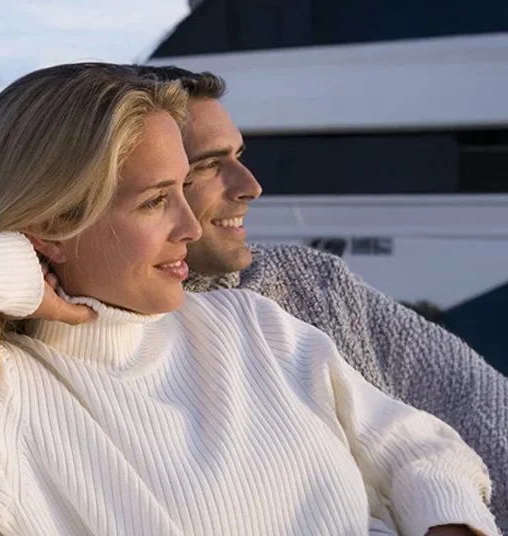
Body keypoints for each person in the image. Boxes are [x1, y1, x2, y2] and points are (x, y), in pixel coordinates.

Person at [0, 63, 498, 536]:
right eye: (158, 200)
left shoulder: (254, 326)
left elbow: (421, 445)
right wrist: (11, 268)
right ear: (55, 218)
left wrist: (447, 518)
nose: (194, 223)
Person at [134, 64, 508, 532]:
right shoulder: (74, 341)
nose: (251, 186)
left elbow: (472, 401)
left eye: (240, 154)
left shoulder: (307, 281)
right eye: (208, 164)